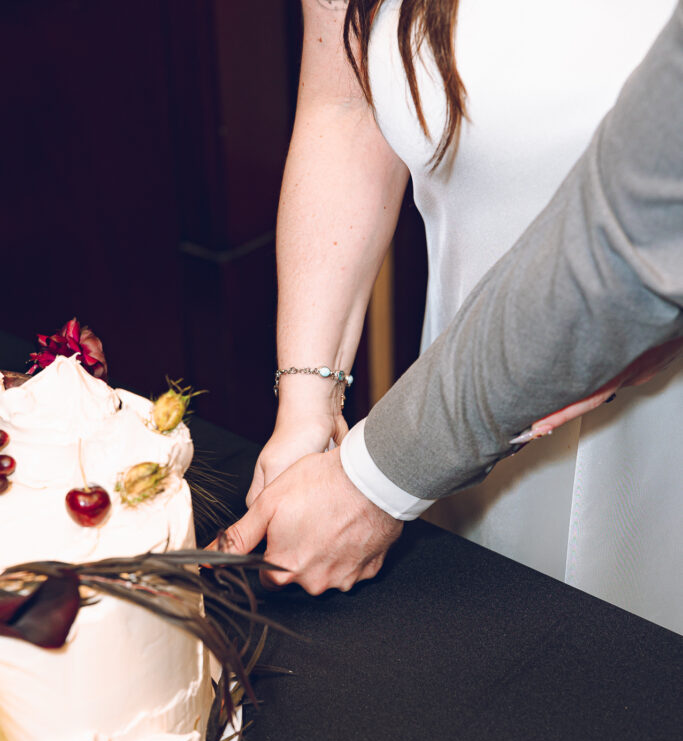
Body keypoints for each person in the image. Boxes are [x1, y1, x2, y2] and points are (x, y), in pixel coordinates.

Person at [242, 0, 682, 630]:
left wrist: (372, 482)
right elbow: (345, 105)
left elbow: (618, 255)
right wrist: (307, 404)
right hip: (457, 438)